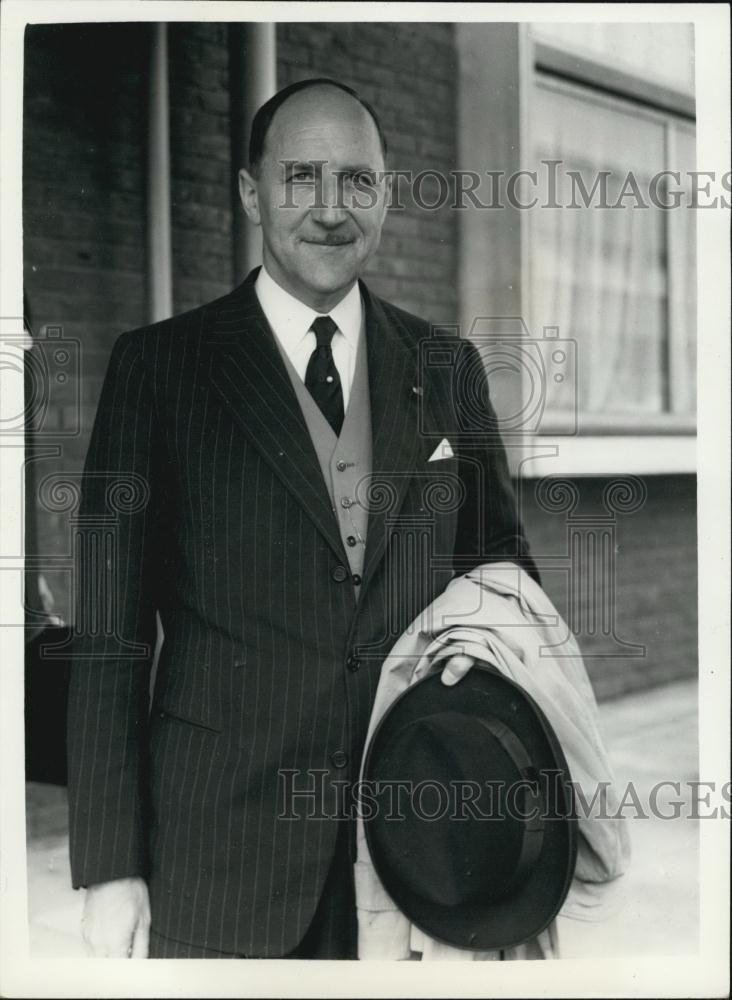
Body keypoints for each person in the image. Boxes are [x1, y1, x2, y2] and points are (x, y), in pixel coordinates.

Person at [67, 78, 537, 960]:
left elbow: (502, 563)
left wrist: (480, 634)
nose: (330, 209)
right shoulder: (159, 371)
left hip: (413, 848)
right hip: (220, 855)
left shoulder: (446, 368)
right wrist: (108, 865)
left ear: (387, 195)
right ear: (251, 194)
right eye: (301, 178)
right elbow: (109, 637)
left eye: (356, 181)